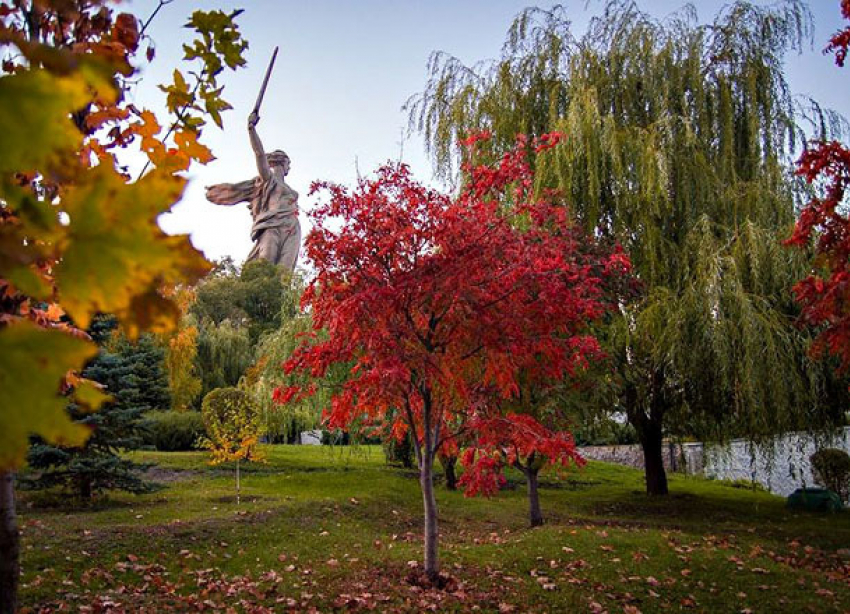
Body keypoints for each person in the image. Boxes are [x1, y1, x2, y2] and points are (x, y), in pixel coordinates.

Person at [205, 110, 301, 271]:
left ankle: (280, 296)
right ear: (282, 163)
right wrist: (251, 129)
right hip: (271, 225)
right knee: (265, 264)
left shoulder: (292, 191)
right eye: (288, 164)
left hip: (291, 227)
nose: (289, 168)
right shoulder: (267, 180)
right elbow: (259, 154)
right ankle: (253, 293)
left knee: (284, 272)